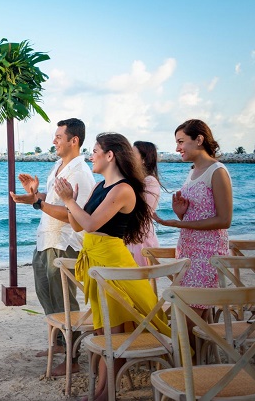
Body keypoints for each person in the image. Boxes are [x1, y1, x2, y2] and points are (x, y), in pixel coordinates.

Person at [54, 132, 169, 401]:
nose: (91, 155)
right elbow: (79, 225)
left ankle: (107, 393)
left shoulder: (123, 189)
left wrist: (70, 201)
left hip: (112, 262)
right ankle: (103, 390)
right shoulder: (99, 186)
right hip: (96, 259)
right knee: (103, 329)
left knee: (113, 332)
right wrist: (71, 201)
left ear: (110, 155)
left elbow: (92, 224)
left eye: (95, 150)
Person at [9, 118, 95, 375]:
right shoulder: (59, 165)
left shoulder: (81, 173)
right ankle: (58, 345)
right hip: (45, 239)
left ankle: (74, 358)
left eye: (59, 137)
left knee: (65, 301)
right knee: (47, 296)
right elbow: (53, 200)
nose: (54, 141)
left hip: (65, 243)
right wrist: (33, 196)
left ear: (74, 140)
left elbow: (76, 213)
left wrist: (39, 204)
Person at [154, 119, 232, 318]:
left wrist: (179, 223)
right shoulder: (193, 171)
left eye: (181, 141)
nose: (177, 148)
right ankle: (198, 351)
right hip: (187, 249)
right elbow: (199, 213)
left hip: (208, 252)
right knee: (188, 315)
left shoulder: (217, 171)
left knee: (190, 319)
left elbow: (224, 220)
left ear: (199, 139)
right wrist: (180, 211)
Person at [126, 141, 163, 266]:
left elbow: (141, 212)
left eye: (132, 153)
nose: (128, 155)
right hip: (131, 237)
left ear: (143, 159)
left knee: (141, 280)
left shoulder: (149, 181)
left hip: (140, 239)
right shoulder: (136, 181)